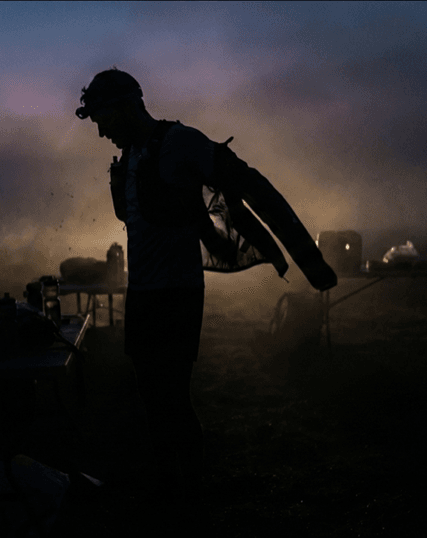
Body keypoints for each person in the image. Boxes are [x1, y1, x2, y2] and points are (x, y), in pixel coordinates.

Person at [75, 67, 337, 508]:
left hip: (176, 294)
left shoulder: (180, 142)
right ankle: (170, 487)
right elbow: (142, 216)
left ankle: (189, 496)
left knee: (172, 398)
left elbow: (252, 185)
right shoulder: (132, 156)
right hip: (142, 292)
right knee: (152, 398)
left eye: (101, 119)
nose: (99, 132)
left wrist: (308, 259)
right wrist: (119, 187)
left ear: (124, 107)